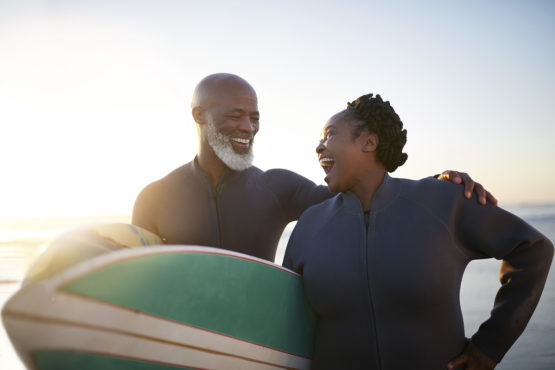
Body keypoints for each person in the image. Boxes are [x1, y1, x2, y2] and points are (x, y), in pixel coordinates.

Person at [283, 94, 553, 369]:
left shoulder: (443, 201)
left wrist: (490, 346)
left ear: (369, 142)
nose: (318, 147)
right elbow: (287, 324)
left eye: (329, 135)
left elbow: (533, 250)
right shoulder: (309, 225)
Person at [132, 73, 495, 262]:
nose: (249, 127)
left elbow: (365, 194)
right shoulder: (154, 198)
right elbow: (133, 279)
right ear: (199, 115)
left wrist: (437, 185)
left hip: (256, 344)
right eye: (236, 115)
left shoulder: (277, 187)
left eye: (255, 117)